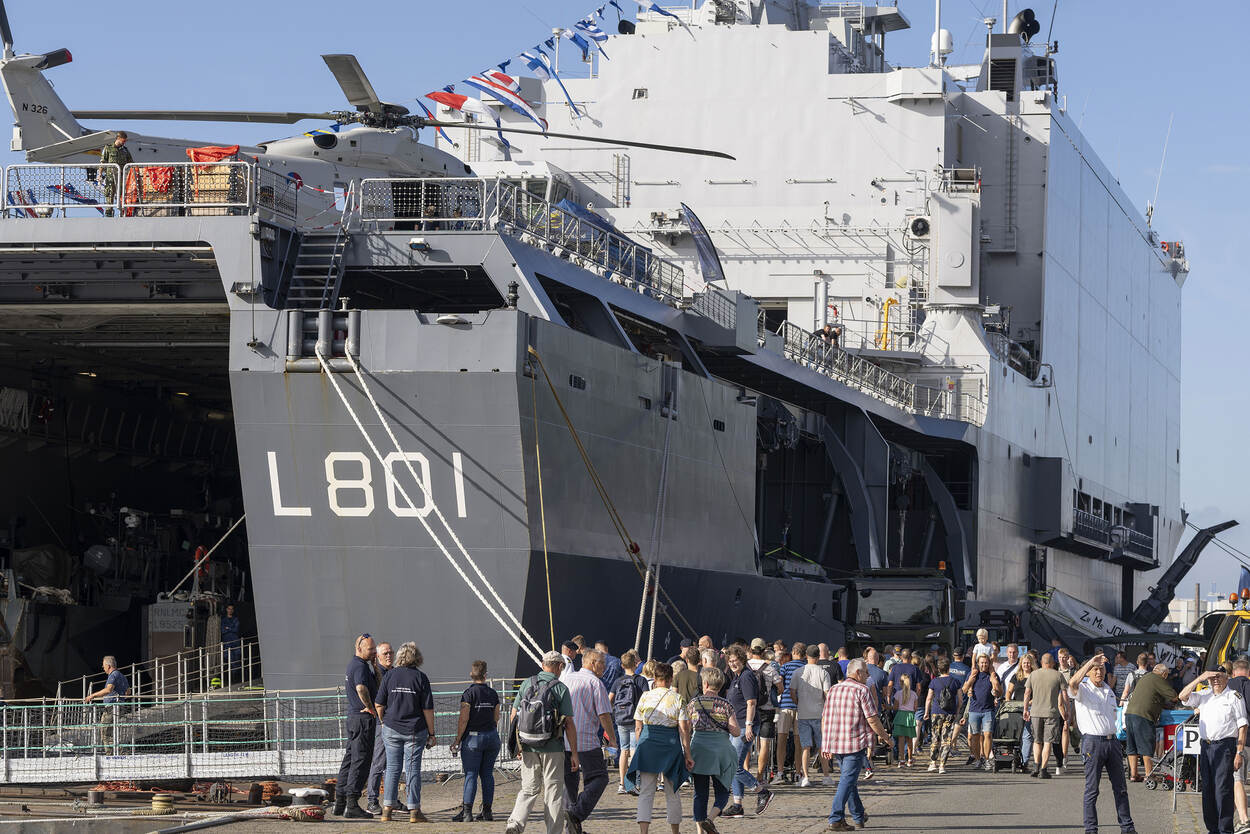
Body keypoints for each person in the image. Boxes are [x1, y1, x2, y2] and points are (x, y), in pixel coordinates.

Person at [505, 651, 578, 834]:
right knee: (553, 791)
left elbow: (514, 716)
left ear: (543, 664)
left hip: (528, 745)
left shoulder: (526, 684)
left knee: (528, 788)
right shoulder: (560, 688)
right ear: (559, 666)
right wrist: (574, 753)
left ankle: (515, 824)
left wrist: (518, 744)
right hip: (552, 746)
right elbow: (568, 723)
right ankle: (553, 831)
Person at [1067, 651, 1138, 834]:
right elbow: (1071, 683)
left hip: (1112, 742)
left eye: (1102, 669)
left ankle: (1127, 828)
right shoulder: (1083, 688)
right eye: (1095, 669)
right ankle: (1091, 830)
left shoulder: (1108, 689)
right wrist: (1091, 661)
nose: (1099, 672)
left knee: (1121, 788)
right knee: (1092, 790)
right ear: (1088, 671)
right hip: (1093, 742)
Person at [821, 658, 891, 831]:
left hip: (837, 742)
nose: (868, 675)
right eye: (866, 672)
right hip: (854, 742)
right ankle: (836, 817)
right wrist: (885, 737)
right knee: (847, 780)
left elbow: (826, 717)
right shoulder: (862, 690)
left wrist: (825, 743)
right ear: (858, 673)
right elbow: (872, 719)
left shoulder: (833, 690)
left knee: (849, 780)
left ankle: (859, 816)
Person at [626, 662, 693, 834]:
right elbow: (683, 728)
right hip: (670, 746)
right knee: (672, 792)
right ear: (671, 679)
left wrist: (640, 748)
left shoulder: (645, 697)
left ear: (655, 679)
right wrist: (687, 754)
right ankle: (675, 831)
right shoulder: (677, 698)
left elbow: (638, 727)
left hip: (648, 745)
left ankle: (644, 832)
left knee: (646, 792)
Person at [1180, 668, 1249, 834]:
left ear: (1227, 678)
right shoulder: (1204, 695)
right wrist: (1200, 679)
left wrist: (1239, 752)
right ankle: (1212, 829)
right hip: (1206, 746)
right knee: (1208, 789)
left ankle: (1225, 829)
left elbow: (1243, 725)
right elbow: (1182, 696)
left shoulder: (1234, 697)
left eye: (1219, 677)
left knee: (1222, 790)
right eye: (1212, 678)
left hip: (1225, 746)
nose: (1215, 680)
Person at [373, 641, 435, 823]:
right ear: (417, 658)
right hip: (414, 731)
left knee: (392, 768)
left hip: (391, 728)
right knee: (412, 769)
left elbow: (379, 703)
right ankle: (414, 810)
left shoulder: (390, 675)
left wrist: (384, 722)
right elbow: (428, 709)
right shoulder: (421, 678)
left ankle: (387, 810)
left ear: (399, 657)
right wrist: (432, 733)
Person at [562, 649, 618, 834]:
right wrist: (612, 739)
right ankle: (576, 814)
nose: (605, 666)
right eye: (602, 663)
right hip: (586, 741)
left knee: (569, 785)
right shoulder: (595, 683)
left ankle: (572, 828)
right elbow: (604, 714)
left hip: (564, 740)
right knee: (599, 778)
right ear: (593, 663)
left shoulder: (567, 679)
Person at [720, 646, 774, 818]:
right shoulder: (737, 677)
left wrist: (749, 725)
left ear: (742, 659)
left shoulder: (746, 676)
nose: (733, 663)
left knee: (734, 765)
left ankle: (762, 792)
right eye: (730, 661)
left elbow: (751, 702)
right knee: (733, 764)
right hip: (737, 726)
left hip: (745, 725)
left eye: (735, 660)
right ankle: (737, 804)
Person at [686, 666, 740, 834]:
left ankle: (700, 831)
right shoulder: (726, 705)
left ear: (706, 683)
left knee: (700, 793)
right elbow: (736, 731)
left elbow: (686, 729)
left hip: (699, 750)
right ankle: (711, 818)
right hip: (721, 752)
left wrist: (686, 752)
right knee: (723, 790)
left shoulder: (694, 703)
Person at [332, 635, 379, 819]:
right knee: (361, 760)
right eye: (370, 649)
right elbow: (361, 688)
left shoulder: (353, 664)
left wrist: (375, 666)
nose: (374, 652)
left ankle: (340, 802)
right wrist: (369, 707)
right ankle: (352, 804)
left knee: (350, 758)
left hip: (352, 717)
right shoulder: (360, 666)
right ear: (359, 648)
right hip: (362, 718)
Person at [451, 660, 501, 822]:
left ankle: (467, 813)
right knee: (487, 774)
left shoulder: (469, 694)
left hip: (473, 739)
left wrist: (458, 739)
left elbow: (463, 719)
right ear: (485, 675)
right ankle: (487, 811)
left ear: (471, 675)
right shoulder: (493, 694)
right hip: (492, 737)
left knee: (471, 774)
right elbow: (496, 717)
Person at [1123, 662, 1178, 782]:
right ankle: (1149, 775)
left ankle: (1134, 774)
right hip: (1144, 715)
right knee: (1147, 745)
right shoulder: (1158, 679)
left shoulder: (1146, 677)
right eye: (1166, 675)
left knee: (1132, 745)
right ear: (1163, 674)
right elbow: (1173, 696)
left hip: (1130, 713)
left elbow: (1151, 695)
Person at [792, 644, 834, 786]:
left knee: (805, 747)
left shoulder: (798, 672)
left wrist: (799, 702)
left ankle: (805, 777)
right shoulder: (823, 673)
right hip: (819, 713)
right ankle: (826, 776)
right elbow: (827, 694)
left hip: (803, 713)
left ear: (806, 656)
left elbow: (792, 692)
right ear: (818, 657)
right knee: (822, 746)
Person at [364, 642, 398, 815]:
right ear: (377, 656)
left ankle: (392, 799)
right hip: (382, 722)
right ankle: (372, 800)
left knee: (394, 763)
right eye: (385, 653)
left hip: (396, 723)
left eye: (391, 652)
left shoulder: (395, 672)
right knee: (379, 762)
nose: (389, 655)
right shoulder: (374, 675)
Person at [610, 650, 649, 796]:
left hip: (621, 719)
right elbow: (646, 698)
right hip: (636, 718)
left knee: (624, 750)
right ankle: (632, 783)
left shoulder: (618, 681)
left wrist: (613, 713)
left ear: (622, 665)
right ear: (635, 663)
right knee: (634, 749)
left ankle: (621, 783)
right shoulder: (641, 680)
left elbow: (610, 699)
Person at [1023, 652, 1067, 779]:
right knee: (1048, 742)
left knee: (1037, 741)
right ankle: (1044, 769)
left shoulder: (1033, 674)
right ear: (1052, 663)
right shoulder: (1058, 675)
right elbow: (1064, 695)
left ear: (1041, 662)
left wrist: (1026, 709)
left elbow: (1027, 693)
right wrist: (1067, 710)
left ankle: (1036, 767)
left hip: (1035, 712)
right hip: (1051, 713)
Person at [960, 652, 1001, 771]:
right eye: (982, 662)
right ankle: (978, 760)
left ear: (989, 663)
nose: (984, 665)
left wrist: (994, 683)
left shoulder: (992, 675)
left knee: (988, 734)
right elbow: (964, 690)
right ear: (978, 663)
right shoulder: (972, 674)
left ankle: (987, 759)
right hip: (974, 710)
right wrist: (970, 681)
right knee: (974, 736)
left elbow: (1000, 692)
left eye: (986, 662)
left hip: (988, 710)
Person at [1224, 658, 1250, 833]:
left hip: (1235, 741)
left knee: (1236, 780)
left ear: (1233, 672)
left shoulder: (1227, 686)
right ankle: (1225, 822)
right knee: (1239, 780)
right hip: (1249, 741)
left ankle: (1244, 820)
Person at [923, 658, 962, 774]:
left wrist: (926, 712)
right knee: (947, 739)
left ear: (938, 669)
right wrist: (957, 711)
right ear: (948, 668)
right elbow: (960, 700)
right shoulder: (955, 682)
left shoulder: (934, 682)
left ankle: (933, 763)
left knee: (935, 737)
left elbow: (929, 698)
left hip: (936, 712)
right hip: (950, 713)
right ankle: (942, 765)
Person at [774, 642, 805, 784]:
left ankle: (780, 772)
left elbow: (780, 685)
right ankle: (798, 772)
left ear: (793, 652)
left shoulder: (785, 667)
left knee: (782, 740)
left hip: (786, 705)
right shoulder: (805, 667)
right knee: (798, 742)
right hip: (801, 707)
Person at [84, 655, 129, 747]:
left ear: (108, 666)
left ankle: (111, 754)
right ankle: (120, 752)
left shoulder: (113, 675)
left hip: (111, 708)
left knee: (106, 732)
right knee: (115, 731)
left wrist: (92, 695)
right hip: (120, 706)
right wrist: (120, 698)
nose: (103, 667)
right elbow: (128, 691)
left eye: (103, 665)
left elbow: (108, 690)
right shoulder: (122, 676)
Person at [99, 132, 132, 216]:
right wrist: (99, 174)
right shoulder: (108, 148)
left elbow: (131, 162)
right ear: (118, 138)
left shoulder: (125, 150)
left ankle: (123, 212)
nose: (124, 142)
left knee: (122, 195)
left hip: (121, 177)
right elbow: (103, 162)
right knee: (109, 194)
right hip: (110, 177)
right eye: (123, 140)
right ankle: (109, 213)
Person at [891, 673, 918, 766]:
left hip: (900, 717)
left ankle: (902, 760)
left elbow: (895, 707)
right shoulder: (914, 694)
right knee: (909, 740)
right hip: (910, 717)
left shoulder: (898, 693)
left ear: (900, 682)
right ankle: (910, 759)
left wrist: (887, 707)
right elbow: (915, 708)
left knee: (901, 741)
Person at [220, 603, 242, 678]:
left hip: (235, 641)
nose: (230, 610)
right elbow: (222, 630)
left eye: (232, 609)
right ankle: (229, 676)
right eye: (229, 609)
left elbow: (236, 629)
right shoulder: (223, 620)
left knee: (236, 658)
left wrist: (228, 628)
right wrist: (231, 629)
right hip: (227, 642)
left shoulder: (236, 619)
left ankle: (235, 676)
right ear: (226, 609)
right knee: (227, 658)